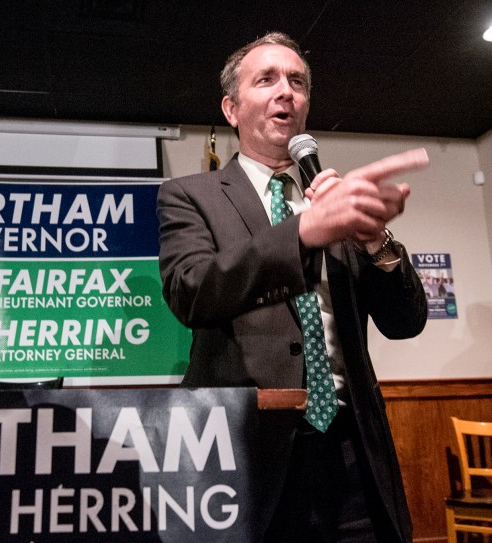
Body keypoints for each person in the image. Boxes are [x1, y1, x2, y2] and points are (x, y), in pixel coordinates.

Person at [157, 32, 428, 542]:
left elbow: (405, 323)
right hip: (242, 452)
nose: (288, 91)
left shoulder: (336, 198)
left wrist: (375, 239)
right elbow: (191, 291)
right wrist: (303, 232)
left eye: (297, 81)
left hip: (353, 449)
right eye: (267, 79)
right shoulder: (189, 196)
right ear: (232, 108)